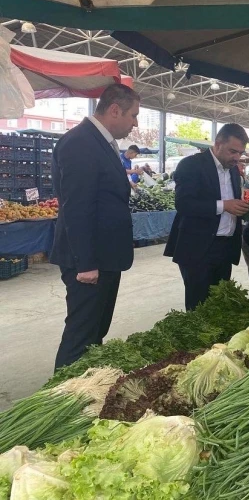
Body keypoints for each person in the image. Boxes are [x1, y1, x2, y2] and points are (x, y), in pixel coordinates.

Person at [50, 84, 139, 369]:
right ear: (115, 110)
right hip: (90, 263)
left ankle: (83, 391)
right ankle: (58, 401)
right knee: (81, 335)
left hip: (104, 257)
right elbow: (77, 207)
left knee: (94, 333)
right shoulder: (81, 142)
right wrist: (86, 264)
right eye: (133, 115)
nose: (135, 123)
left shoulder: (101, 142)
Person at [164, 124, 249, 310]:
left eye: (240, 153)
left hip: (225, 248)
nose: (237, 157)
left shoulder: (234, 171)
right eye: (233, 151)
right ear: (218, 144)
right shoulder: (192, 165)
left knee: (220, 305)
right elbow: (184, 204)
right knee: (199, 306)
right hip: (198, 248)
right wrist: (225, 205)